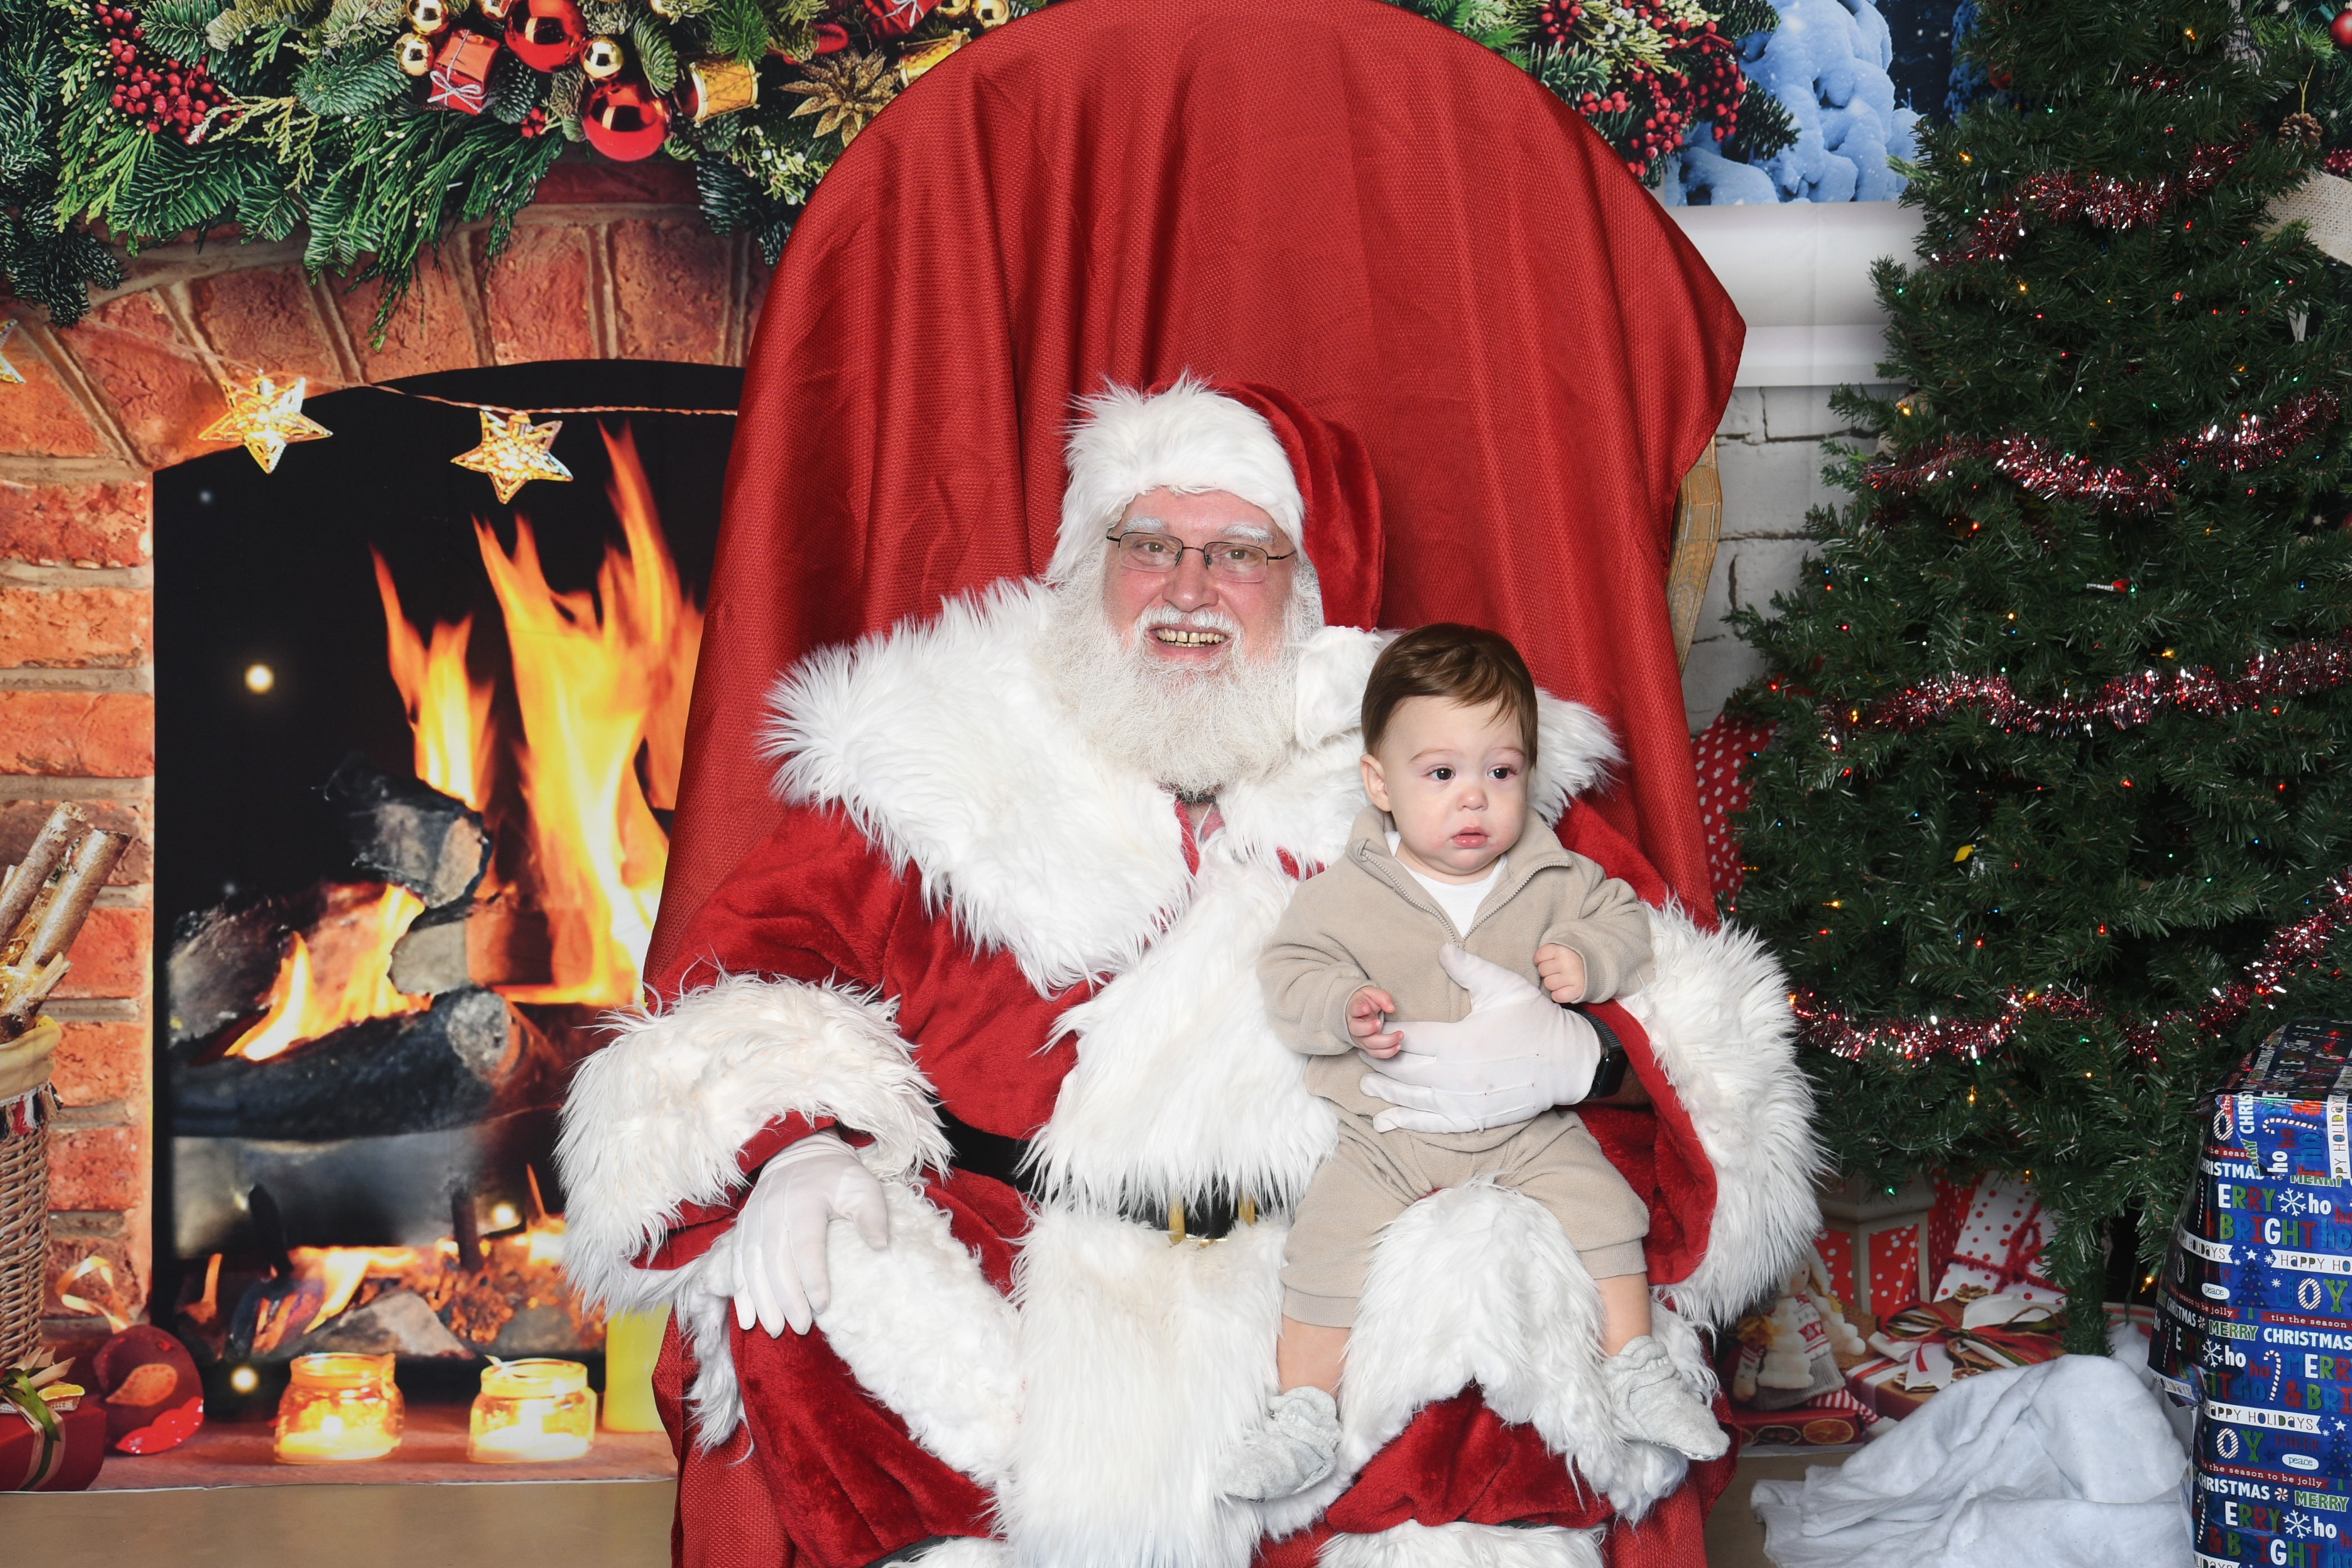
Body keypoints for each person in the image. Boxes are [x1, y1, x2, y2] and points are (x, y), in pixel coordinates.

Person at [557, 378, 1818, 1568]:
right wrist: (796, 1148)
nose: (1189, 589)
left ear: (1307, 587)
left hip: (1341, 1310)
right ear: (1087, 566)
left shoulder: (1440, 759)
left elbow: (1683, 1013)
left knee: (1497, 1262)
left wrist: (1581, 1055)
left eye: (1240, 554)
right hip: (1015, 1304)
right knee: (820, 1266)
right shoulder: (946, 752)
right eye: (1151, 545)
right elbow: (749, 978)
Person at [1228, 625, 1728, 1503]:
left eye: (1500, 772)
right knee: (1323, 1243)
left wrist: (1586, 957)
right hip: (1390, 1127)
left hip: (1524, 1124)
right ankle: (1302, 1412)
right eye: (1440, 774)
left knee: (1607, 1209)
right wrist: (1343, 1004)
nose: (1474, 799)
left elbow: (1625, 923)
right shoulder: (1344, 894)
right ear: (1379, 783)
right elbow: (1288, 974)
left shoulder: (1552, 875)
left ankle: (1636, 1368)